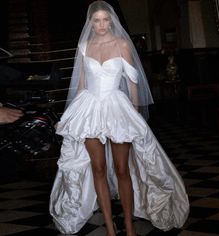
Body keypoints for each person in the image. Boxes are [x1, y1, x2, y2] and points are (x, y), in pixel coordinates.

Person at [49, 1, 189, 236]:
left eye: (106, 19)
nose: (102, 24)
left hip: (117, 109)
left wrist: (134, 114)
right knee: (98, 169)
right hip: (89, 110)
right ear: (90, 23)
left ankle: (129, 225)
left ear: (111, 21)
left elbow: (132, 81)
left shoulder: (122, 44)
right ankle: (110, 227)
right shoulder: (84, 46)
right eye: (97, 20)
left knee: (123, 169)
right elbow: (81, 84)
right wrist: (72, 115)